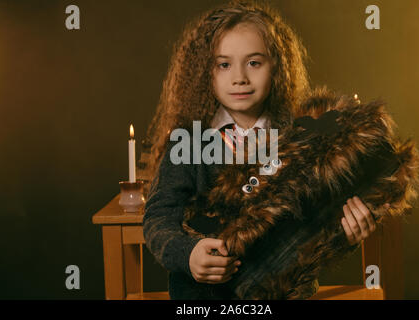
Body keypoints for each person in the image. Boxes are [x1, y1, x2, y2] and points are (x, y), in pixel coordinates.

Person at [139, 0, 378, 299]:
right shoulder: (188, 140)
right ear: (205, 71)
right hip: (206, 296)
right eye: (224, 64)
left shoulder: (302, 134)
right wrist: (188, 254)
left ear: (276, 66)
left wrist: (347, 235)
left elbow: (314, 227)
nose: (239, 77)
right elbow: (158, 218)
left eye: (254, 62)